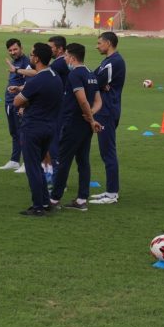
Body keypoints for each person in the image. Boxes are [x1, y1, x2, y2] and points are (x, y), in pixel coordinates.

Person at [49, 43, 102, 211]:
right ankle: (81, 200)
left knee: (64, 161)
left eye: (65, 56)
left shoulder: (75, 75)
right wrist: (91, 118)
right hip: (85, 126)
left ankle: (54, 199)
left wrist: (90, 117)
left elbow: (82, 100)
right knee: (83, 161)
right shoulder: (91, 74)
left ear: (72, 57)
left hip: (73, 124)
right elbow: (98, 101)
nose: (65, 59)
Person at [12, 43, 63, 216]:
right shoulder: (55, 76)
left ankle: (38, 206)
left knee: (33, 167)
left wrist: (25, 100)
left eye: (32, 54)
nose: (30, 57)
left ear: (37, 58)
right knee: (39, 166)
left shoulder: (37, 79)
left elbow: (17, 102)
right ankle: (45, 202)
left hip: (33, 127)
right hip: (50, 127)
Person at [91, 31, 126, 205]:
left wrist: (97, 84)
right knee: (106, 151)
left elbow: (93, 82)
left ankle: (112, 194)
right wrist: (97, 83)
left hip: (107, 111)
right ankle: (109, 190)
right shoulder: (108, 61)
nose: (97, 46)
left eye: (99, 43)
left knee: (108, 152)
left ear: (108, 43)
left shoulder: (115, 62)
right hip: (106, 109)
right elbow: (94, 77)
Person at [0, 38, 30, 172]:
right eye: (10, 50)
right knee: (14, 132)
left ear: (21, 48)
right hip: (9, 102)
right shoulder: (14, 62)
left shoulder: (26, 62)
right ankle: (14, 160)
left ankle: (26, 162)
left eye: (15, 49)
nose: (13, 52)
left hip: (20, 102)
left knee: (23, 132)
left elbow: (30, 85)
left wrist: (23, 105)